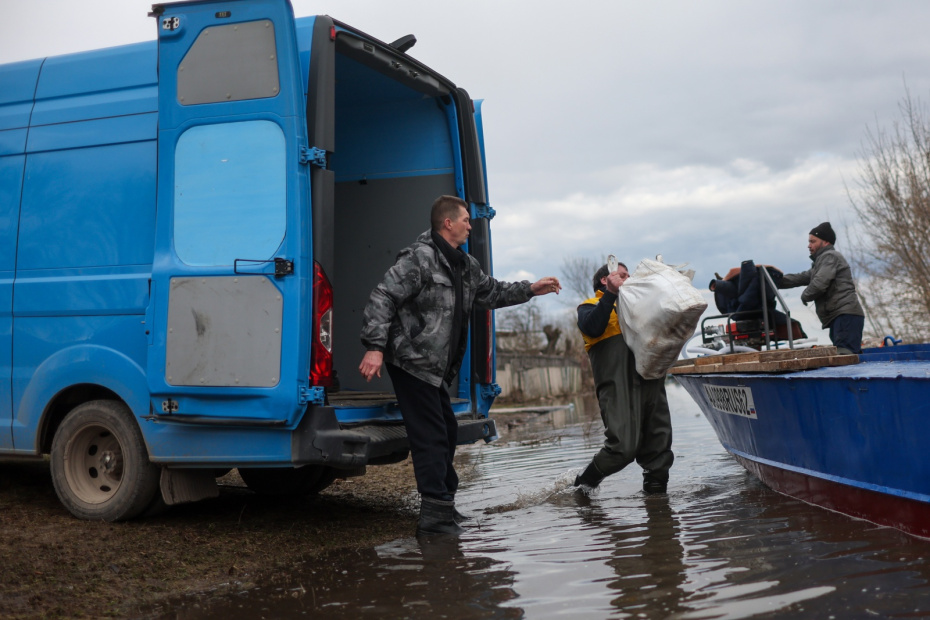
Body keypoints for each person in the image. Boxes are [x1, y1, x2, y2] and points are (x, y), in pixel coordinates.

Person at [359, 195, 562, 536]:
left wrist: (531, 289)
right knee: (431, 437)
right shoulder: (418, 257)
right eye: (466, 219)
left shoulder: (465, 265)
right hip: (410, 359)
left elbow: (493, 292)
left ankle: (445, 508)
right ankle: (435, 519)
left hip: (435, 366)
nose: (471, 224)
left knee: (447, 433)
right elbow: (383, 297)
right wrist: (375, 348)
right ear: (448, 223)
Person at [573, 261, 674, 494]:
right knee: (623, 448)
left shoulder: (641, 309)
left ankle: (658, 509)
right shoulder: (589, 306)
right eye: (623, 275)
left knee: (659, 448)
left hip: (651, 383)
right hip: (617, 387)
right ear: (604, 279)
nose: (629, 279)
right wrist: (610, 295)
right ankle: (580, 490)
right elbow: (592, 327)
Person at [777, 222, 865, 354]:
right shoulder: (821, 262)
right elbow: (802, 277)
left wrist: (805, 295)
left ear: (825, 242)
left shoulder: (830, 257)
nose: (809, 245)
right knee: (844, 356)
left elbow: (819, 283)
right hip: (841, 317)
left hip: (845, 316)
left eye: (813, 241)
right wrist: (775, 280)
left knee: (845, 357)